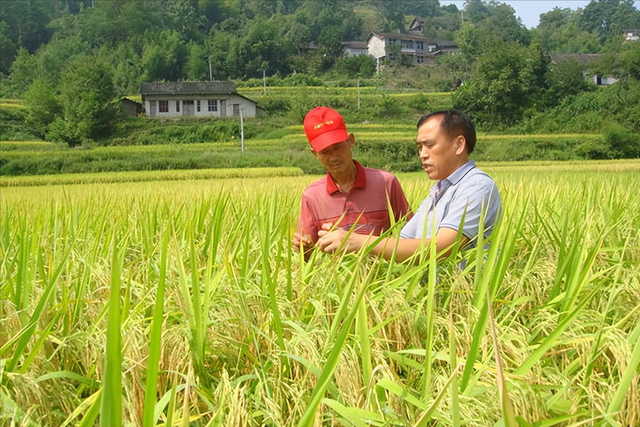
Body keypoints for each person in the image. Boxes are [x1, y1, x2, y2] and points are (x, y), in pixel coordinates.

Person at [316, 109, 502, 263]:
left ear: (459, 144)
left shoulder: (476, 186)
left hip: (466, 300)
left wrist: (359, 242)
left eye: (429, 145)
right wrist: (342, 241)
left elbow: (443, 247)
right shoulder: (439, 190)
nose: (422, 154)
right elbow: (404, 243)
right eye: (419, 148)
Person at [292, 106, 412, 257]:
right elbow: (309, 255)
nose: (334, 157)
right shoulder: (312, 197)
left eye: (338, 147)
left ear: (351, 141)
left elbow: (412, 236)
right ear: (315, 153)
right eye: (325, 152)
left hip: (382, 277)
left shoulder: (386, 183)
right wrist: (305, 249)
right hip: (336, 278)